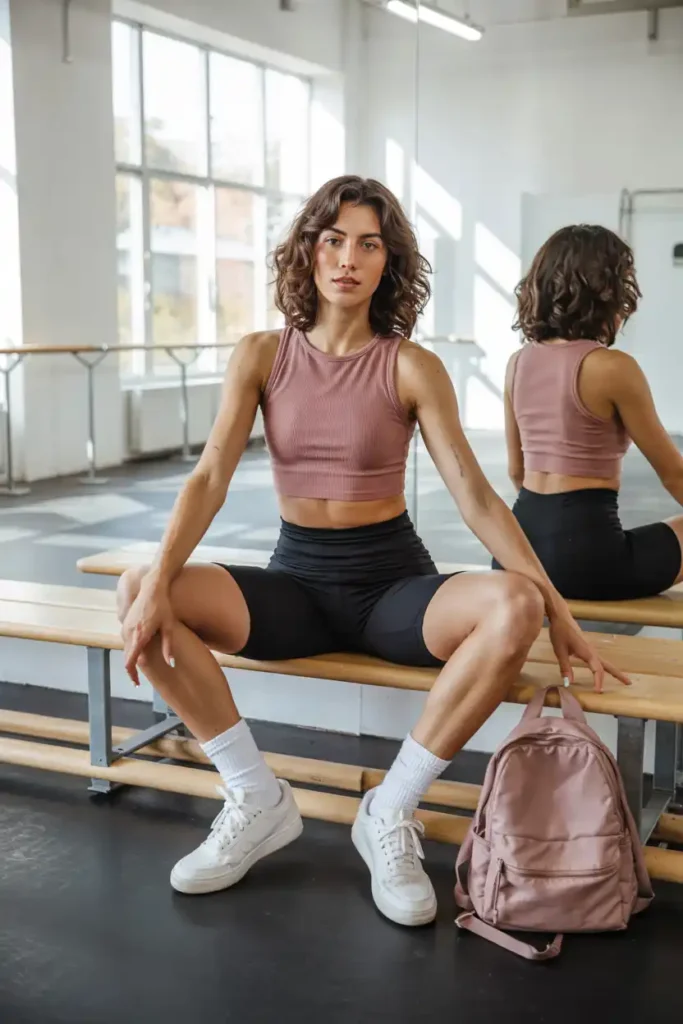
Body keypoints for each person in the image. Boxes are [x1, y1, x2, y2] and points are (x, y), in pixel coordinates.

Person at [118, 179, 627, 928]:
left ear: (388, 262)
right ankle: (256, 798)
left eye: (367, 244)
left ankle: (388, 810)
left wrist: (557, 611)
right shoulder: (262, 355)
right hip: (296, 585)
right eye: (333, 239)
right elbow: (209, 476)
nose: (347, 259)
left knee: (512, 604)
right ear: (308, 251)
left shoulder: (411, 366)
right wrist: (161, 578)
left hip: (391, 590)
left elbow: (480, 500)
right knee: (139, 587)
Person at [496, 223, 683, 601]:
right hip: (587, 558)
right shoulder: (612, 367)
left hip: (516, 553)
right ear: (608, 292)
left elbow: (517, 472)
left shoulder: (517, 363)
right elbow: (674, 474)